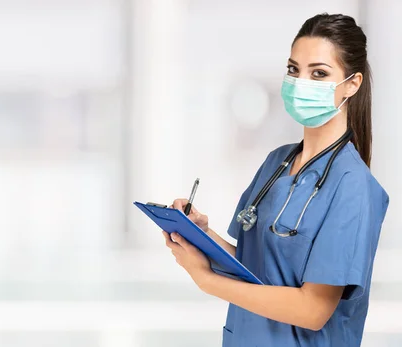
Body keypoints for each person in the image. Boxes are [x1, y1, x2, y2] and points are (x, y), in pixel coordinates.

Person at [163, 13, 389, 347]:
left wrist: (206, 281)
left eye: (319, 73)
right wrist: (199, 234)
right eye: (294, 70)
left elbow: (313, 309)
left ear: (352, 85)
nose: (301, 83)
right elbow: (253, 267)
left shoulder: (353, 185)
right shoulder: (277, 162)